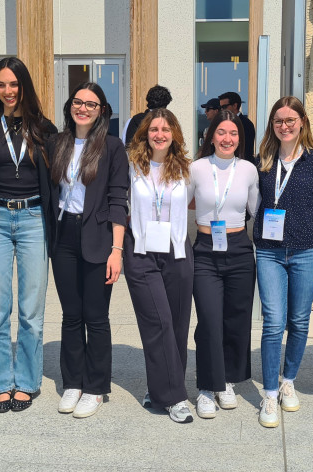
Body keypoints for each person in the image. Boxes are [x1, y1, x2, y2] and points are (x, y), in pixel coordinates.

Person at [0, 56, 59, 414]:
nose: (8, 91)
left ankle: (28, 381)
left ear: (24, 86)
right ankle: (1, 382)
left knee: (31, 309)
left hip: (34, 218)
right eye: (2, 84)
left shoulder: (42, 127)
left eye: (14, 84)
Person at [253, 96, 313, 428]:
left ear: (302, 121)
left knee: (299, 321)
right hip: (269, 252)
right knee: (274, 321)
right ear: (272, 125)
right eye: (278, 121)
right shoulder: (261, 160)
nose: (284, 126)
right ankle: (270, 392)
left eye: (290, 120)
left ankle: (288, 379)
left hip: (306, 251)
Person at [47, 82, 129, 419]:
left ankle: (95, 387)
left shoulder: (112, 147)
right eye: (78, 102)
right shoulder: (56, 143)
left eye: (91, 104)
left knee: (96, 317)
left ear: (101, 111)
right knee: (71, 315)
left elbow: (118, 200)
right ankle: (73, 382)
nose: (84, 108)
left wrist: (117, 250)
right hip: (63, 235)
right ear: (70, 106)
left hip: (97, 236)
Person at [123, 108, 195, 423]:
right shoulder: (129, 166)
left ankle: (161, 388)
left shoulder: (186, 170)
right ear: (145, 134)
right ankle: (175, 397)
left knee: (178, 325)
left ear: (174, 134)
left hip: (177, 250)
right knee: (159, 322)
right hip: (141, 251)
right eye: (154, 129)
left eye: (166, 129)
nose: (160, 134)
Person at [188, 110, 260, 420]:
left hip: (240, 248)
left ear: (239, 139)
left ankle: (226, 380)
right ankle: (206, 386)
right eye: (221, 133)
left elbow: (256, 209)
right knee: (209, 319)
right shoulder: (196, 168)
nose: (227, 138)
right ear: (210, 136)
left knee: (236, 319)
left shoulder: (248, 170)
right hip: (205, 249)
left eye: (233, 134)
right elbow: (182, 205)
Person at [218, 91, 256, 163]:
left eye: (224, 107)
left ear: (235, 106)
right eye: (220, 107)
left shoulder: (246, 124)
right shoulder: (222, 122)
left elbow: (246, 150)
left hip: (241, 165)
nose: (222, 110)